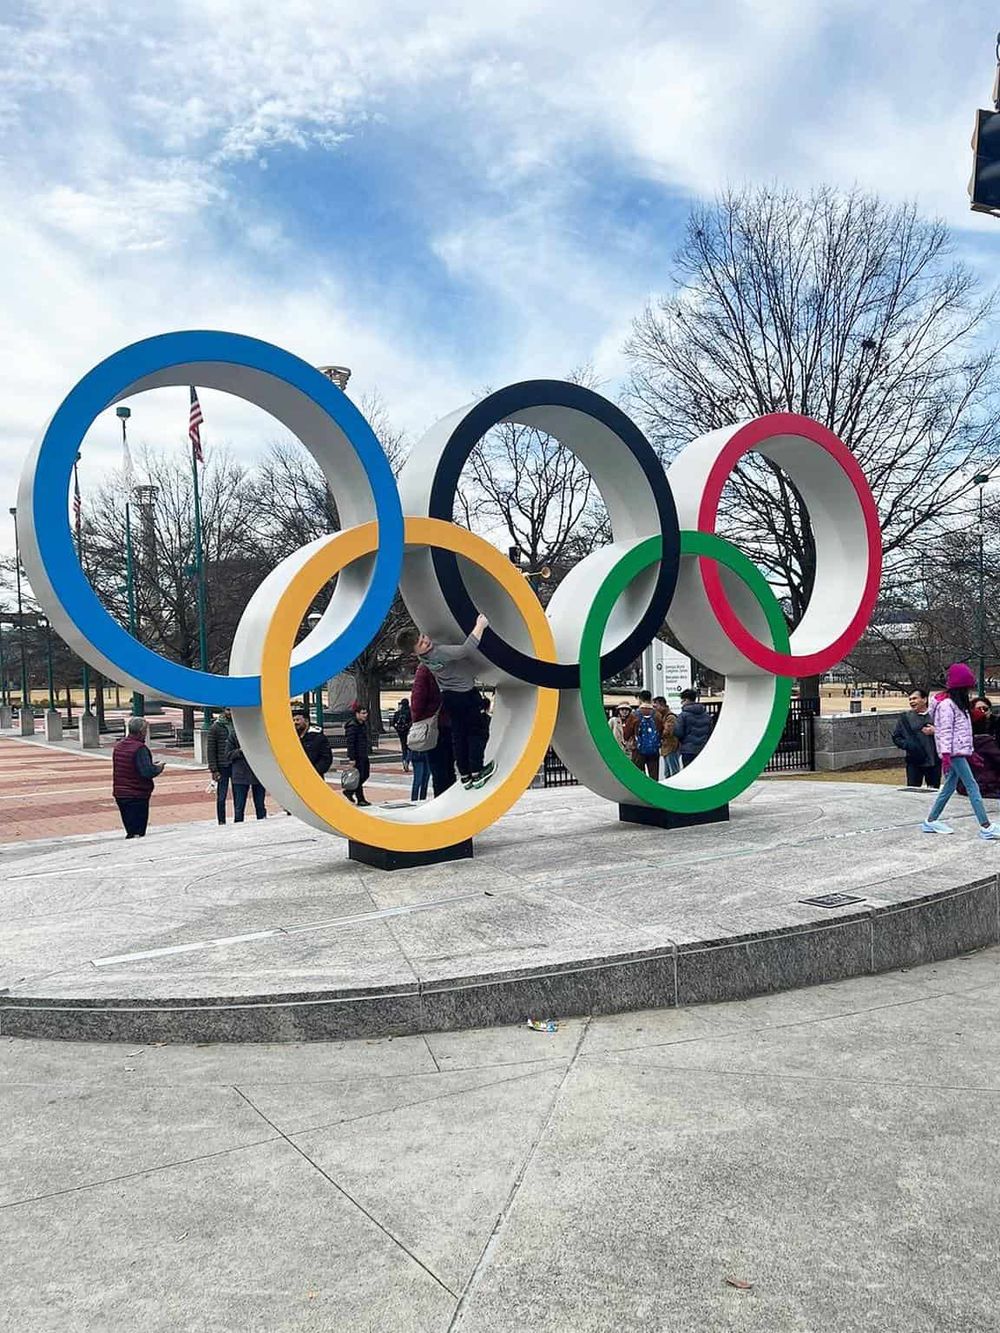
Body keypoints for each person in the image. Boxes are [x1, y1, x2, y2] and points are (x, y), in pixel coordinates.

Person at [396, 615, 495, 789]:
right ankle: (477, 772)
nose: (426, 641)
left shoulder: (424, 658)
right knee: (476, 733)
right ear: (415, 652)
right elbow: (466, 650)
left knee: (459, 735)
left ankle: (465, 774)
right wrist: (480, 625)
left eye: (423, 637)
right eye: (421, 643)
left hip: (449, 696)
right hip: (465, 695)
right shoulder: (438, 652)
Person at [922, 663, 1000, 838]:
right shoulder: (947, 706)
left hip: (957, 751)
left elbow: (960, 731)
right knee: (972, 786)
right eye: (966, 688)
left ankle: (931, 820)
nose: (969, 692)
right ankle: (985, 826)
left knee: (949, 787)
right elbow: (945, 731)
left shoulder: (956, 705)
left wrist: (968, 753)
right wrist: (947, 756)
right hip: (954, 753)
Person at [112, 716, 165, 839]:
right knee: (138, 831)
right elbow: (147, 771)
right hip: (136, 793)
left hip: (120, 792)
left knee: (130, 828)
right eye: (145, 730)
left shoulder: (119, 746)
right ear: (142, 731)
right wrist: (159, 767)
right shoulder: (140, 748)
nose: (146, 733)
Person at [411, 662, 454, 798]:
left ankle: (442, 804)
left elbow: (417, 700)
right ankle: (452, 802)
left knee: (438, 771)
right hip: (452, 724)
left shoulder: (425, 669)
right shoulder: (451, 665)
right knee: (449, 769)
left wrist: (417, 721)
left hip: (433, 726)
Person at [891, 688, 941, 789]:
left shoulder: (936, 715)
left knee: (934, 790)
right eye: (910, 699)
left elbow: (948, 733)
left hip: (934, 761)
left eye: (914, 698)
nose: (912, 702)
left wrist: (936, 731)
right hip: (914, 761)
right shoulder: (905, 718)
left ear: (925, 699)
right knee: (912, 790)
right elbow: (896, 737)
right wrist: (908, 745)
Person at [225, 730, 267, 822]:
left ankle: (263, 825)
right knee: (239, 807)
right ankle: (238, 826)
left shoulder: (260, 733)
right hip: (240, 775)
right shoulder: (234, 734)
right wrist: (240, 751)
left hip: (258, 773)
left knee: (260, 805)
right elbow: (228, 755)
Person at [623, 692, 664, 780]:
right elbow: (661, 731)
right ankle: (653, 793)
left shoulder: (634, 715)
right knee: (653, 777)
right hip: (654, 750)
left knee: (637, 778)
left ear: (640, 699)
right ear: (650, 699)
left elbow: (626, 734)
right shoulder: (657, 715)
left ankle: (639, 793)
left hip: (638, 751)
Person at [205, 707, 235, 824]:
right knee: (221, 796)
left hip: (235, 763)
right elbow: (211, 749)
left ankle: (238, 818)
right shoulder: (216, 727)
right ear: (223, 711)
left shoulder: (237, 724)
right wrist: (213, 769)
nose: (230, 712)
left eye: (232, 710)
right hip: (222, 766)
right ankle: (221, 821)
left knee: (238, 795)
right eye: (228, 710)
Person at [673, 688, 714, 767]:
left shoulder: (683, 715)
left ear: (686, 700)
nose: (682, 703)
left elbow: (678, 732)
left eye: (682, 701)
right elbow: (710, 732)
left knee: (689, 775)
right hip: (703, 750)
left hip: (688, 751)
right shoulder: (706, 715)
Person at [343, 701, 372, 806]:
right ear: (357, 713)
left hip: (363, 754)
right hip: (357, 756)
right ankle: (360, 798)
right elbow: (350, 743)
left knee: (365, 775)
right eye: (363, 713)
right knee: (359, 776)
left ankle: (350, 792)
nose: (365, 715)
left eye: (366, 713)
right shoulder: (352, 726)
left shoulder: (362, 724)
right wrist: (352, 758)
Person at [293, 709, 333, 777]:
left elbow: (326, 758)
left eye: (298, 720)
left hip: (313, 776)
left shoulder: (318, 737)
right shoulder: (293, 737)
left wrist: (314, 771)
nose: (295, 723)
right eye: (293, 720)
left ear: (306, 721)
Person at [654, 695, 681, 778]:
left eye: (656, 706)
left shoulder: (670, 717)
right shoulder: (664, 716)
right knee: (667, 772)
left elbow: (667, 732)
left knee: (673, 771)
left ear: (662, 705)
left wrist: (658, 734)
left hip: (671, 747)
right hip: (666, 747)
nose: (655, 708)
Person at [391, 698, 412, 772]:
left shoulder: (397, 713)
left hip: (400, 732)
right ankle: (407, 760)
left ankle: (404, 761)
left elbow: (393, 723)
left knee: (403, 747)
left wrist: (398, 729)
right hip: (408, 732)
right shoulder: (410, 712)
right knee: (410, 748)